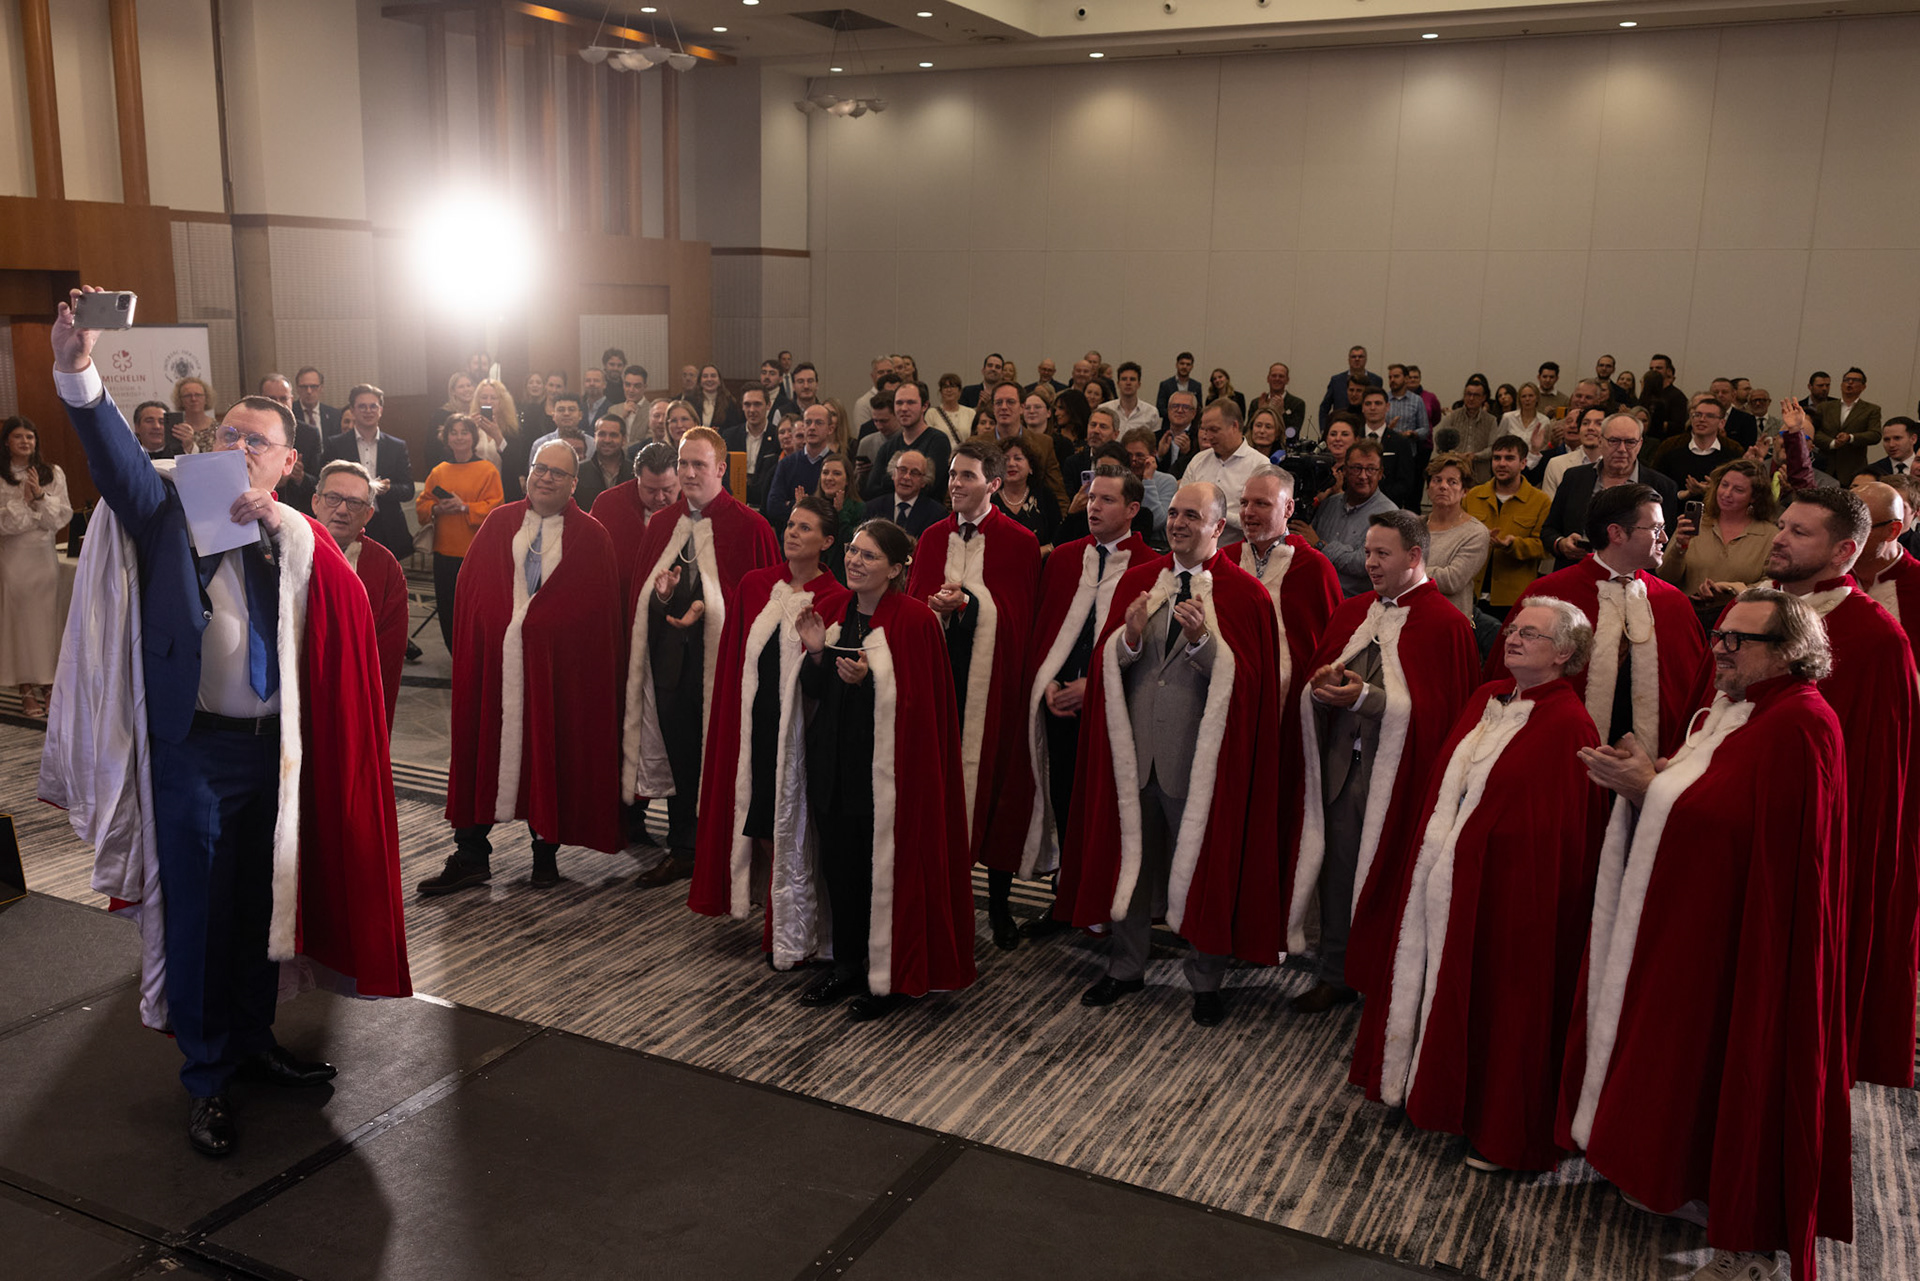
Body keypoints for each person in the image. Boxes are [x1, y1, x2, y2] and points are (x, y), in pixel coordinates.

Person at [45, 289, 408, 1157]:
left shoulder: (302, 536)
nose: (237, 448)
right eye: (228, 436)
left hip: (274, 758)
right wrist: (75, 365)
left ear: (287, 463)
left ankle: (252, 1043)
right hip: (196, 752)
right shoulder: (163, 505)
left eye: (257, 442)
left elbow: (348, 620)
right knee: (203, 916)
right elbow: (109, 453)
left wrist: (283, 525)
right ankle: (205, 1077)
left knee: (261, 908)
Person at [1565, 589, 1850, 1281]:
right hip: (1696, 916)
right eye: (1718, 637)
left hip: (1747, 936)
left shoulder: (1799, 724)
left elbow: (1770, 846)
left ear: (1788, 649)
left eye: (1737, 641)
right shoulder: (1743, 711)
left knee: (1741, 1059)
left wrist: (1646, 789)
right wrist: (1659, 775)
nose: (1718, 650)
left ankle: (1745, 1244)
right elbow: (1721, 803)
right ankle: (1675, 1177)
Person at [1352, 597, 1605, 1173]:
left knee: (1498, 996)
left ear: (1564, 653)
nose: (1513, 639)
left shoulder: (1568, 722)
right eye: (1513, 629)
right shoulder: (1487, 699)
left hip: (1505, 893)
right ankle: (1411, 1080)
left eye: (1531, 635)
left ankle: (1490, 1121)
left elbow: (1550, 833)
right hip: (1441, 875)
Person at [1058, 481, 1284, 1027]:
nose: (1178, 523)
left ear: (1218, 527)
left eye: (1192, 516)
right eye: (1174, 513)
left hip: (1199, 764)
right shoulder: (1139, 581)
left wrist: (1208, 645)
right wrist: (1129, 638)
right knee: (1131, 865)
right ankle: (1126, 966)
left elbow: (1253, 686)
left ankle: (1205, 980)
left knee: (1208, 867)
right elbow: (1113, 661)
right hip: (1136, 755)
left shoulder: (1246, 594)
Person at [1752, 486, 1919, 1090]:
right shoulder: (1750, 608)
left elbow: (1879, 782)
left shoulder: (1876, 640)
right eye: (1782, 524)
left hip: (1811, 845)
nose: (1779, 537)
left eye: (1800, 532)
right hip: (1733, 825)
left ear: (1846, 549)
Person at [1287, 511, 1479, 1013]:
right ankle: (1335, 972)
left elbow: (1446, 715)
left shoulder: (1448, 625)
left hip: (1397, 782)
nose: (1369, 563)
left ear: (1414, 557)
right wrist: (1321, 689)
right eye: (1368, 552)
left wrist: (1365, 699)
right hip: (1336, 770)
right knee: (1334, 876)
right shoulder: (1353, 612)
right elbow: (1318, 674)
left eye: (1381, 554)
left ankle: (1384, 983)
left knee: (1388, 880)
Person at [793, 520, 977, 1021]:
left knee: (884, 874)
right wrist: (814, 656)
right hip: (834, 765)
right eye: (852, 551)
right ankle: (847, 964)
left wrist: (871, 682)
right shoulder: (832, 611)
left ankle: (892, 975)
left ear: (896, 569)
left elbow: (924, 707)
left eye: (869, 556)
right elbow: (812, 695)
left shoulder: (915, 621)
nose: (854, 561)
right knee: (842, 871)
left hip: (888, 778)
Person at [430, 441, 625, 895]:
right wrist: (504, 627)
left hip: (557, 671)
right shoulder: (499, 522)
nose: (546, 478)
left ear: (574, 483)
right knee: (483, 747)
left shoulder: (592, 536)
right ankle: (471, 855)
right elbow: (473, 592)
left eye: (558, 473)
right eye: (540, 468)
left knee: (549, 748)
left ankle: (545, 856)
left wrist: (542, 628)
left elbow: (596, 614)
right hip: (496, 666)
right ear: (528, 472)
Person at [688, 495, 852, 967]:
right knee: (761, 825)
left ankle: (805, 928)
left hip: (803, 738)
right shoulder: (757, 584)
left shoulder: (836, 597)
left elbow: (828, 680)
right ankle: (776, 918)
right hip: (756, 733)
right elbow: (736, 662)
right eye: (790, 524)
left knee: (799, 831)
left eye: (806, 528)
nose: (793, 532)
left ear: (827, 541)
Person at [623, 428, 782, 886]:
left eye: (699, 465)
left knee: (725, 757)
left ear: (720, 469)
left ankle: (728, 849)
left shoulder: (750, 526)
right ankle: (684, 847)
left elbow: (763, 606)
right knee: (680, 758)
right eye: (683, 464)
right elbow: (643, 597)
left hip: (724, 668)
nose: (689, 473)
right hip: (673, 663)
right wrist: (663, 596)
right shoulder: (662, 523)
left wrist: (709, 608)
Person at [907, 441, 1042, 949]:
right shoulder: (930, 536)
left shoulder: (1020, 541)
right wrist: (936, 609)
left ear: (993, 483)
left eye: (967, 476)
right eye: (952, 475)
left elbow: (1019, 616)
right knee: (937, 786)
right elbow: (912, 605)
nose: (955, 484)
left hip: (994, 684)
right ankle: (940, 897)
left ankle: (1001, 906)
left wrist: (973, 603)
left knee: (998, 788)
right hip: (941, 679)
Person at [1017, 465, 1151, 938]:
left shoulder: (1149, 566)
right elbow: (1046, 629)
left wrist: (1094, 686)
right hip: (1060, 705)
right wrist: (1048, 681)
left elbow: (1149, 651)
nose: (1094, 506)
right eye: (1092, 498)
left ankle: (1108, 904)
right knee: (1066, 802)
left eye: (1107, 500)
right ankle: (1064, 902)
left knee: (1108, 809)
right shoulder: (1064, 558)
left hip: (1117, 709)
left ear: (1133, 509)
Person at [1494, 484, 1706, 759]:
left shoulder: (1672, 603)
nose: (1665, 537)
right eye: (1655, 529)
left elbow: (1692, 693)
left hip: (1649, 772)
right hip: (1561, 758)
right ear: (1616, 533)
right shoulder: (1551, 596)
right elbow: (1507, 683)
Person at [1228, 466, 1342, 884]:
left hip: (1287, 718)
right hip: (1232, 712)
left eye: (1261, 503)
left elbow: (1326, 647)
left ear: (1289, 508)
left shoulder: (1314, 568)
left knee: (1279, 812)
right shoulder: (1223, 560)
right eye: (1244, 503)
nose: (1249, 512)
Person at [314, 461, 407, 729]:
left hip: (351, 707)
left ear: (368, 514)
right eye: (333, 498)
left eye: (354, 503)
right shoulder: (284, 548)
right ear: (315, 502)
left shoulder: (384, 567)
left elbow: (387, 658)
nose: (342, 510)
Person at [1542, 413, 1680, 572]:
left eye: (1630, 442)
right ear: (1600, 441)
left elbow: (1665, 544)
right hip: (1577, 574)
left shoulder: (1662, 486)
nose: (1622, 449)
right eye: (1614, 441)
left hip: (1636, 581)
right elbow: (1548, 530)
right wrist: (1561, 544)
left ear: (1640, 444)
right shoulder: (1574, 477)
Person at [0, 416, 72, 717]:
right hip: (14, 559)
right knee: (19, 625)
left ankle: (50, 683)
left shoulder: (51, 472)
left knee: (48, 623)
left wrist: (39, 497)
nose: (25, 442)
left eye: (30, 437)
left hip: (44, 558)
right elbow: (5, 524)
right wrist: (24, 503)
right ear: (7, 441)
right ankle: (26, 686)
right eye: (18, 437)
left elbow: (60, 517)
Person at [414, 414, 503, 657]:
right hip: (444, 551)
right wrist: (437, 508)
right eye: (454, 432)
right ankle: (456, 655)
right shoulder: (440, 471)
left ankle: (478, 656)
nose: (459, 437)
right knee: (448, 608)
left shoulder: (487, 470)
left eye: (465, 432)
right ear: (447, 438)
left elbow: (495, 508)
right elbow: (422, 504)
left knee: (476, 609)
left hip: (475, 553)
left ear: (474, 437)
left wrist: (464, 506)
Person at [1660, 458, 1779, 634]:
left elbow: (1774, 586)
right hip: (1686, 622)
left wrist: (1731, 589)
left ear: (1754, 497)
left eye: (1738, 490)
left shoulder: (1770, 535)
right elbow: (1666, 577)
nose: (1727, 493)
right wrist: (1680, 547)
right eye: (1724, 485)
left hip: (1741, 627)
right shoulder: (1696, 524)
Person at [321, 385, 416, 564]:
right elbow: (324, 485)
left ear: (380, 410)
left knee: (386, 582)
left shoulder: (396, 446)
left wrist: (389, 489)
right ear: (352, 410)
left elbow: (408, 490)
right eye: (362, 406)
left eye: (373, 406)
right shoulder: (336, 444)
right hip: (348, 521)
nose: (368, 411)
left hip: (386, 523)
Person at [1462, 434, 1550, 624]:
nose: (1501, 463)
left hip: (1512, 598)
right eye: (1497, 458)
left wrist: (1512, 544)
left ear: (1523, 463)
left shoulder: (1540, 501)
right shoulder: (1474, 496)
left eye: (1509, 458)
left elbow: (1544, 546)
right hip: (1471, 593)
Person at [1296, 437, 1401, 598]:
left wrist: (1320, 545)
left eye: (1371, 469)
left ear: (1380, 474)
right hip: (1314, 596)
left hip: (1354, 606)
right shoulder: (1329, 504)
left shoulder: (1389, 515)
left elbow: (1363, 564)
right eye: (1356, 468)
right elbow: (1305, 547)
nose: (1363, 476)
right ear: (1344, 470)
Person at [589, 441, 680, 607]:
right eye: (651, 490)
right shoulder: (608, 504)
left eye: (668, 489)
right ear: (637, 478)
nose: (660, 498)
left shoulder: (694, 506)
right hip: (620, 607)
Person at [1180, 400, 1266, 542]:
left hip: (1238, 554)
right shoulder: (1198, 460)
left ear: (1234, 426)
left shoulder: (1259, 466)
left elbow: (1260, 521)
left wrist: (1217, 514)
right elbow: (1181, 505)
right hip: (1194, 549)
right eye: (1205, 429)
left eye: (1214, 430)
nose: (1208, 436)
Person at [1422, 454, 1491, 619]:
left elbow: (1451, 580)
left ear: (1464, 491)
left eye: (1452, 482)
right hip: (1408, 618)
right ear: (1428, 488)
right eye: (1437, 480)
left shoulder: (1476, 533)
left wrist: (1406, 572)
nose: (1443, 486)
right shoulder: (1413, 526)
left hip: (1449, 622)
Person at [1854, 481, 1920, 638]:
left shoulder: (1916, 581)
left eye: (1859, 526)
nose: (1846, 536)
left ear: (1893, 530)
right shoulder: (1827, 573)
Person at [993, 438, 1060, 550]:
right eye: (1005, 459)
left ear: (1031, 467)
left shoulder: (1045, 495)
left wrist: (1042, 552)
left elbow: (1057, 537)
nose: (1011, 464)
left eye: (1018, 458)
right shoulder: (988, 497)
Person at [816, 453, 866, 581]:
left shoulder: (858, 508)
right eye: (825, 472)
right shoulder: (813, 506)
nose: (829, 478)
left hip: (842, 578)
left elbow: (851, 544)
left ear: (848, 480)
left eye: (836, 473)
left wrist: (840, 514)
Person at [173, 375, 218, 453]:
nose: (193, 399)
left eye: (198, 395)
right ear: (180, 400)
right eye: (187, 396)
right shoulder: (177, 430)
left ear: (206, 399)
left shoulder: (219, 429)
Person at [930, 372, 976, 443]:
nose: (949, 390)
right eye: (945, 387)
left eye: (952, 386)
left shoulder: (970, 413)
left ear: (960, 391)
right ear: (941, 392)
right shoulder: (932, 413)